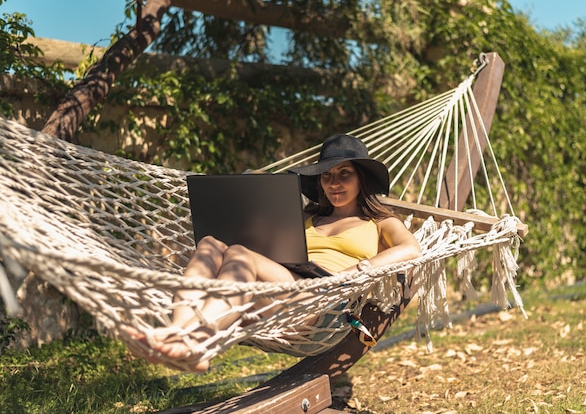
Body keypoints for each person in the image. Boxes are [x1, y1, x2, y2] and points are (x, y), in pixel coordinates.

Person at [126, 134, 422, 371]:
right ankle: (178, 332)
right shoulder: (307, 217)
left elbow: (412, 248)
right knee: (209, 244)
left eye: (344, 174)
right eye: (326, 175)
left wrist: (361, 268)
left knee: (240, 254)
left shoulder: (380, 222)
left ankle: (199, 342)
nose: (334, 183)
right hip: (282, 289)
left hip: (324, 303)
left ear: (362, 180)